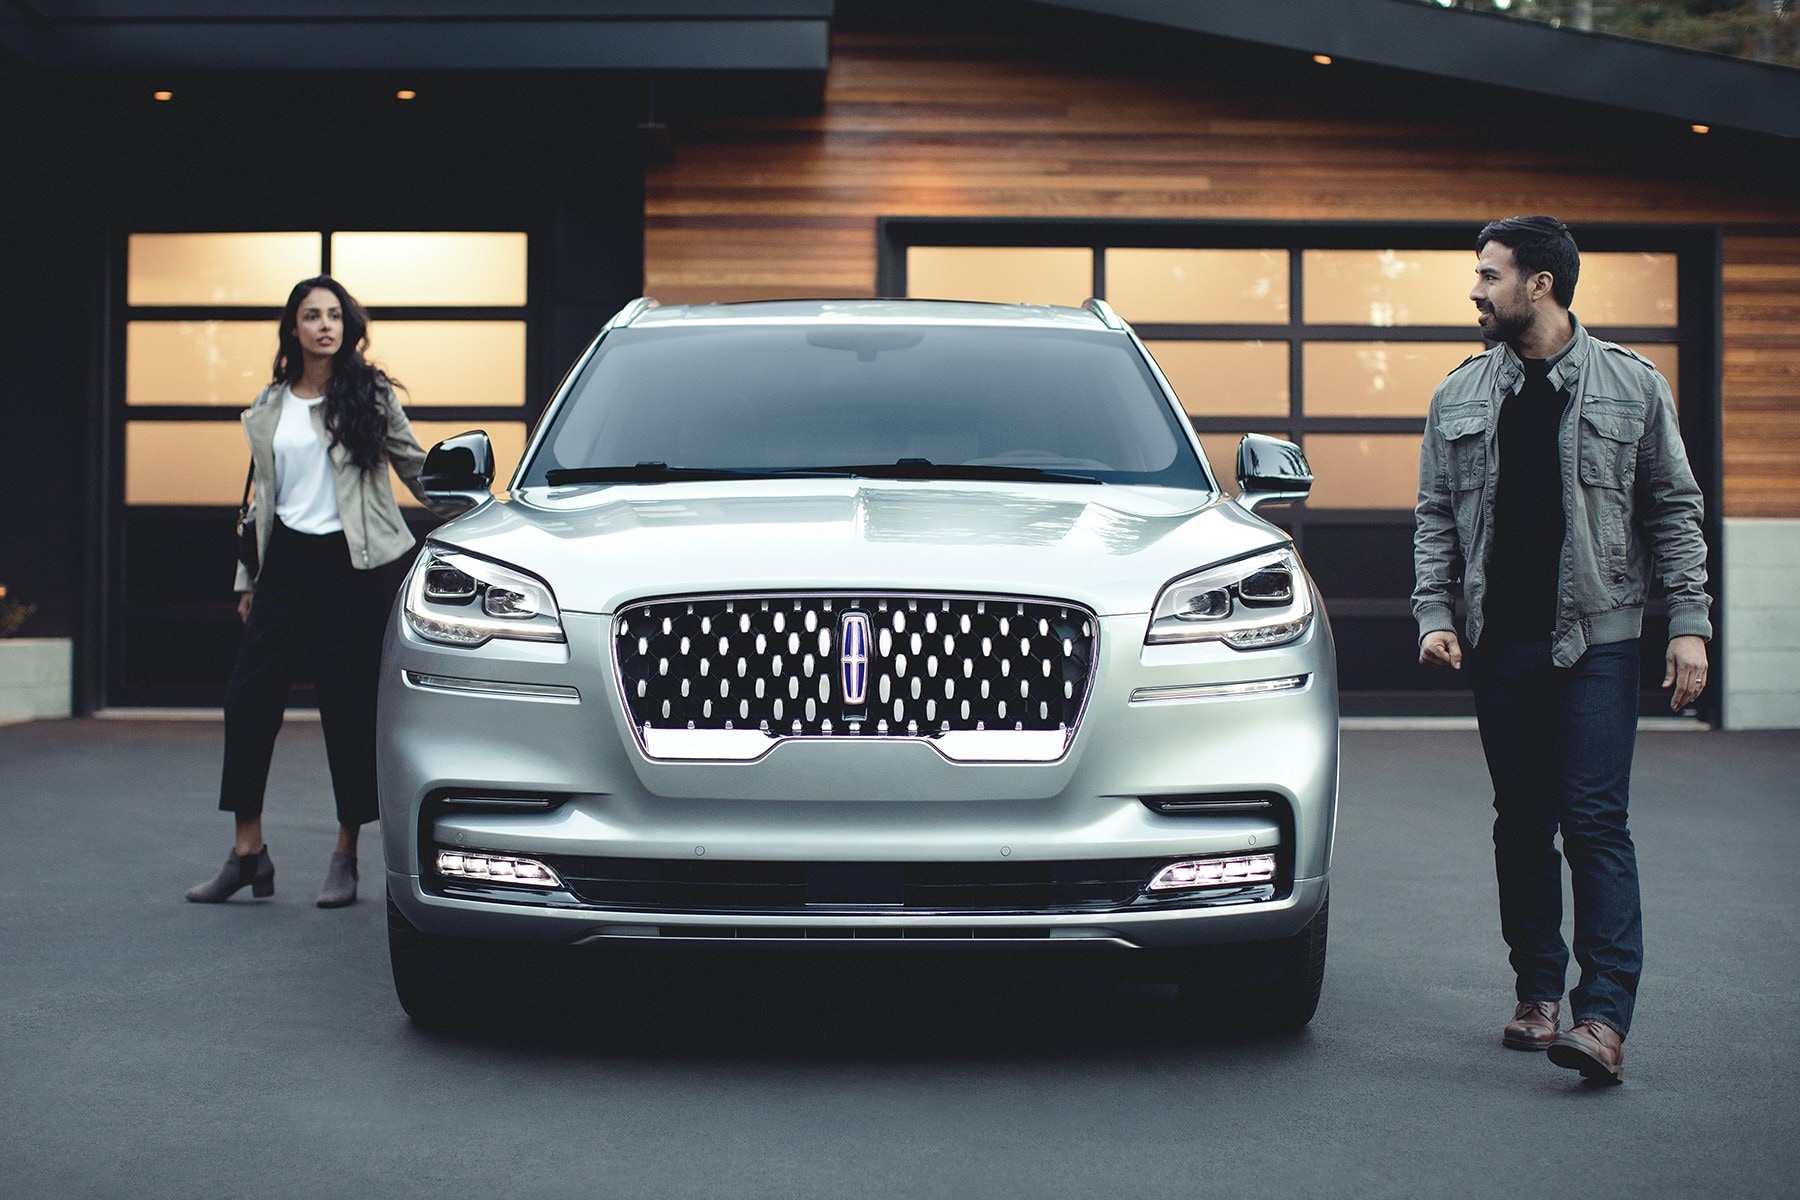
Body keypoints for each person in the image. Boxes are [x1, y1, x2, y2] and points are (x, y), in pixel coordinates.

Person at [1412, 216, 1711, 1085]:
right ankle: (1537, 993)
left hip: (1601, 641)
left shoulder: (1632, 385)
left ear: (1539, 283)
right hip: (1500, 641)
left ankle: (1604, 1016)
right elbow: (1435, 515)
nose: (1476, 290)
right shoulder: (1460, 396)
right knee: (1520, 825)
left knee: (1594, 822)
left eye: (1489, 275)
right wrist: (1434, 610)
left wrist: (1687, 619)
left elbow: (1673, 508)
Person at [187, 276, 455, 909]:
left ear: (346, 326)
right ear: (295, 328)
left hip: (354, 566)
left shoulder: (368, 395)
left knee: (348, 709)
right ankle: (247, 852)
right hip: (285, 565)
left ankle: (345, 853)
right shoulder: (271, 403)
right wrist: (248, 579)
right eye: (312, 316)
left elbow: (413, 466)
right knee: (248, 702)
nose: (325, 325)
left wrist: (473, 508)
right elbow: (261, 503)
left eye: (335, 315)